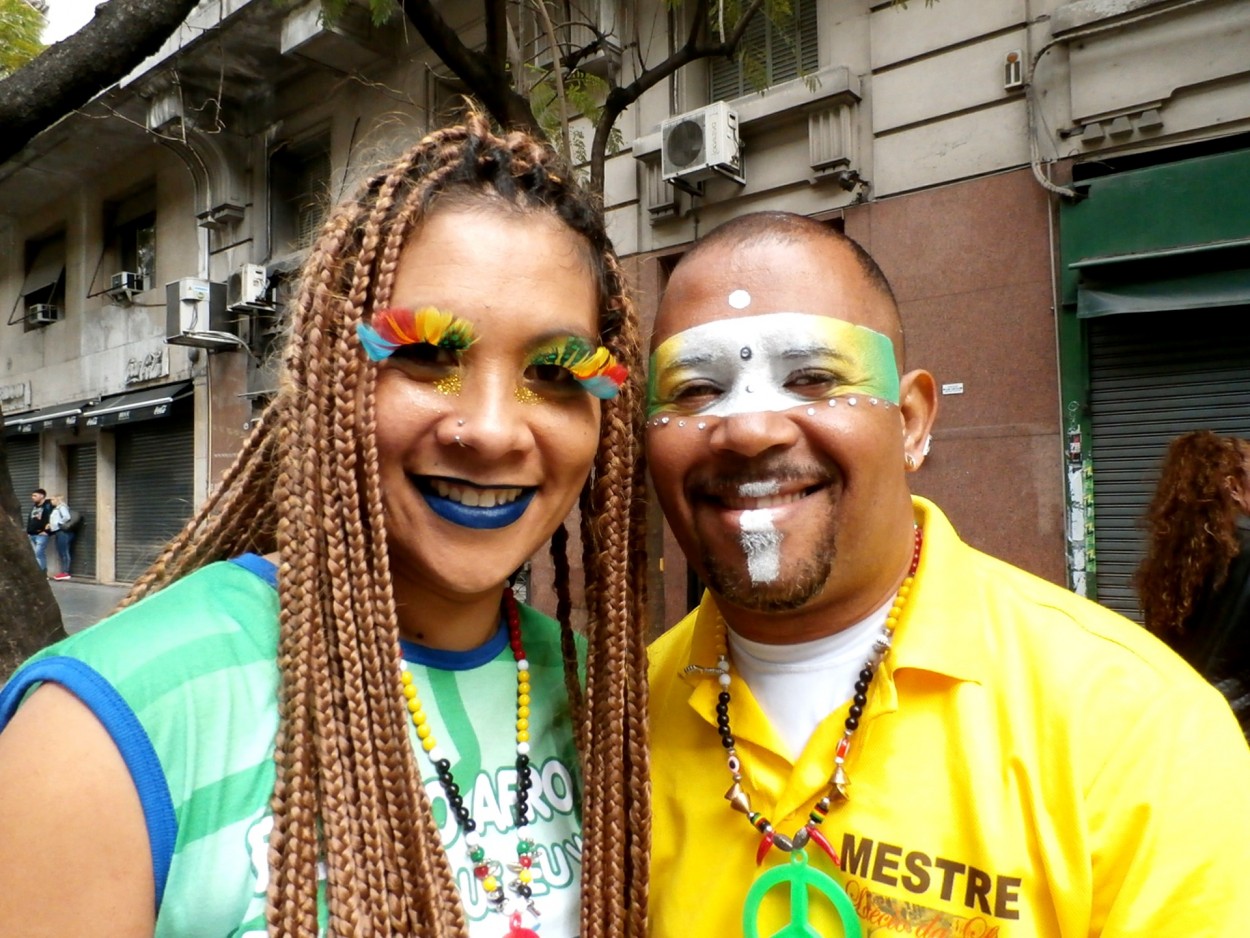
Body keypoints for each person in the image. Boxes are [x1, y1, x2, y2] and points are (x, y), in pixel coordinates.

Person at [0, 116, 649, 937]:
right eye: (424, 357)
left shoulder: (607, 701)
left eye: (554, 373)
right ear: (331, 378)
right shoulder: (108, 723)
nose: (490, 430)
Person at [644, 211, 1250, 937]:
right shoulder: (610, 727)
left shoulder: (1139, 731)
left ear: (912, 422)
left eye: (811, 377)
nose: (748, 429)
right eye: (694, 390)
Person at [1136, 430, 1250, 734]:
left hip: (1183, 718)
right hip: (1235, 725)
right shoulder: (1243, 552)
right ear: (1233, 486)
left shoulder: (1170, 558)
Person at [25, 487, 53, 574]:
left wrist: (47, 531)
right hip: (32, 534)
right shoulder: (34, 507)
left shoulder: (48, 507)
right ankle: (40, 572)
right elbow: (31, 519)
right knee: (37, 554)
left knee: (38, 553)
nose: (32, 497)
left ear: (42, 496)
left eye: (35, 495)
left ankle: (41, 573)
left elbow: (52, 520)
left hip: (41, 534)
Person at [47, 494, 74, 580]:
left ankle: (66, 572)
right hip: (59, 532)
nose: (51, 502)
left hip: (62, 532)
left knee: (64, 552)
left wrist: (59, 524)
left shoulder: (61, 507)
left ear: (57, 500)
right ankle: (64, 571)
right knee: (62, 552)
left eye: (53, 500)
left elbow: (67, 517)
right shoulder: (57, 508)